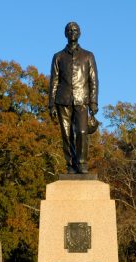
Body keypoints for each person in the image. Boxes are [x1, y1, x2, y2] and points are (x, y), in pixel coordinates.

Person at [49, 22, 99, 174]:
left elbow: (94, 80)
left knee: (82, 132)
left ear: (80, 33)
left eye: (75, 30)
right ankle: (70, 165)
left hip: (82, 99)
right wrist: (51, 104)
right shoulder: (58, 56)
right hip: (62, 100)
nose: (72, 32)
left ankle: (82, 163)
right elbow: (54, 81)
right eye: (69, 30)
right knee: (66, 134)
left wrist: (93, 101)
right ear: (65, 33)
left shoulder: (88, 55)